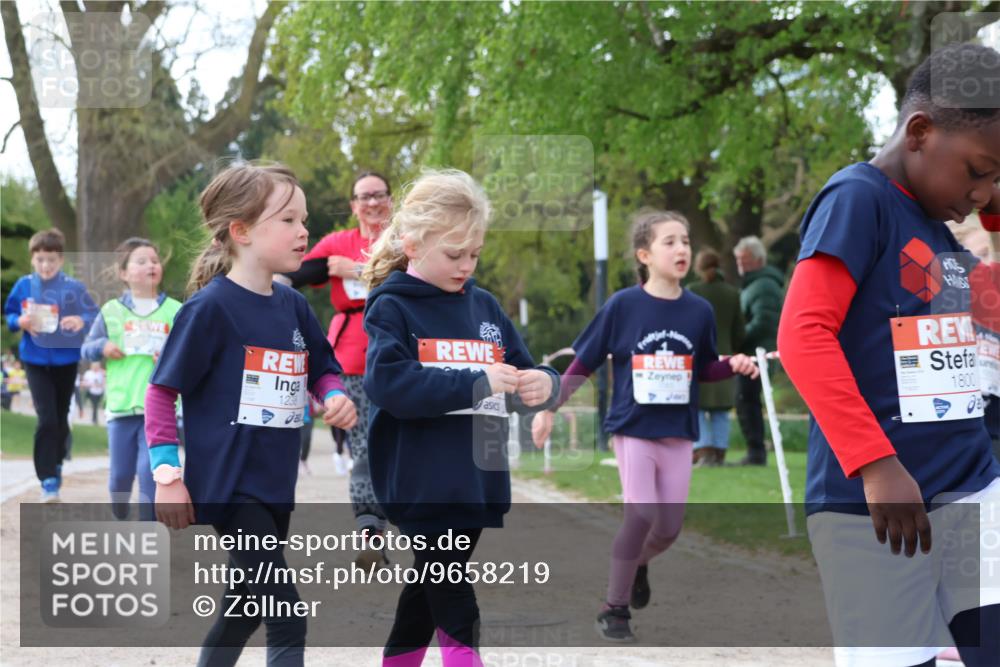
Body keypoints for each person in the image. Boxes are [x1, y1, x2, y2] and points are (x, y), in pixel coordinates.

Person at [777, 43, 1000, 667]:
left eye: (996, 180)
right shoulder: (858, 198)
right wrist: (877, 465)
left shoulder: (938, 229)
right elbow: (803, 335)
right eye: (978, 171)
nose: (984, 193)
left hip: (970, 487)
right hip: (874, 504)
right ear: (920, 132)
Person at [143, 163, 358, 667]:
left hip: (275, 484)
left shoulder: (292, 305)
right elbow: (160, 392)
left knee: (242, 611)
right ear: (240, 231)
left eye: (304, 220)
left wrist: (333, 396)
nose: (303, 232)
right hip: (229, 488)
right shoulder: (209, 309)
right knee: (287, 616)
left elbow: (323, 369)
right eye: (288, 220)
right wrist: (167, 475)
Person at [362, 169, 559, 667]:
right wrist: (475, 381)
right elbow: (389, 384)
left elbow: (522, 371)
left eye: (475, 254)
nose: (466, 266)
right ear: (412, 244)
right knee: (452, 592)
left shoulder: (484, 306)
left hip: (476, 478)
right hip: (421, 480)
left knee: (427, 591)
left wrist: (544, 383)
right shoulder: (391, 307)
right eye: (454, 255)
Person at [532, 209, 759, 642]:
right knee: (640, 515)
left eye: (685, 241)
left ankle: (636, 563)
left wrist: (733, 364)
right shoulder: (623, 306)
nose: (681, 249)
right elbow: (584, 362)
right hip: (633, 429)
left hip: (679, 433)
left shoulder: (699, 310)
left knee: (668, 530)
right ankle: (613, 608)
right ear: (644, 255)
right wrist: (550, 408)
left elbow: (703, 367)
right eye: (669, 242)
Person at [282, 170, 391, 559]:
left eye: (378, 195)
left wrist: (359, 271)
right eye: (364, 197)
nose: (372, 203)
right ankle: (370, 530)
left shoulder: (405, 239)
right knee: (364, 445)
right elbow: (290, 274)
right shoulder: (338, 244)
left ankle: (417, 526)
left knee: (401, 445)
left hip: (404, 357)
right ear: (353, 206)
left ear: (391, 200)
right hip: (352, 355)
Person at [82, 238, 182, 521]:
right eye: (141, 261)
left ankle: (148, 529)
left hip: (160, 410)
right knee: (121, 476)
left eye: (155, 260)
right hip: (121, 407)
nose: (151, 265)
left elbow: (188, 354)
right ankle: (120, 512)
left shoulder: (176, 310)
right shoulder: (111, 311)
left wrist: (169, 357)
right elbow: (86, 348)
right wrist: (103, 346)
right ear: (123, 273)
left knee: (149, 473)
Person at [3, 228, 98, 502]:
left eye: (52, 260)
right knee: (46, 418)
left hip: (66, 360)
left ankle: (56, 462)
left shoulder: (73, 288)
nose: (46, 265)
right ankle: (47, 480)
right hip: (34, 360)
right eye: (40, 259)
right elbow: (10, 313)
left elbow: (93, 315)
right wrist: (18, 321)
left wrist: (80, 321)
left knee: (60, 416)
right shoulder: (23, 286)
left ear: (61, 260)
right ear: (32, 259)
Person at [688, 247, 745, 466]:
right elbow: (739, 331)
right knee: (721, 409)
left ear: (698, 267)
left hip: (698, 355)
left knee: (698, 406)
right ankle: (720, 453)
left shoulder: (692, 291)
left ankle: (703, 451)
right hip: (725, 355)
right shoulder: (732, 293)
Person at [732, 235, 784, 465]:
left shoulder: (764, 286)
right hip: (753, 351)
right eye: (738, 259)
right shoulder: (754, 285)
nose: (741, 264)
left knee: (747, 400)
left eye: (745, 259)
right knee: (746, 400)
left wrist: (738, 338)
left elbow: (764, 321)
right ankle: (755, 451)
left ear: (759, 259)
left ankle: (756, 452)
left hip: (758, 353)